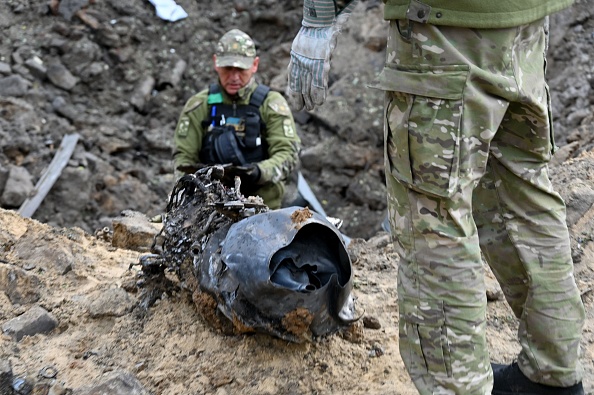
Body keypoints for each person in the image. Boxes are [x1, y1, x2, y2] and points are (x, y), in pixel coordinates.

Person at [287, 1, 585, 394]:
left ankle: (457, 387)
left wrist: (321, 13)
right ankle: (553, 376)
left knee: (432, 214)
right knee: (522, 190)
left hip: (445, 23)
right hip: (525, 15)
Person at [173, 29, 301, 210]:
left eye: (241, 69)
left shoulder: (270, 104)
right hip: (209, 206)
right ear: (216, 63)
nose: (234, 77)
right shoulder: (199, 105)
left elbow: (288, 154)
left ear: (255, 65)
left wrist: (258, 172)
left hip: (263, 207)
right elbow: (183, 159)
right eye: (227, 69)